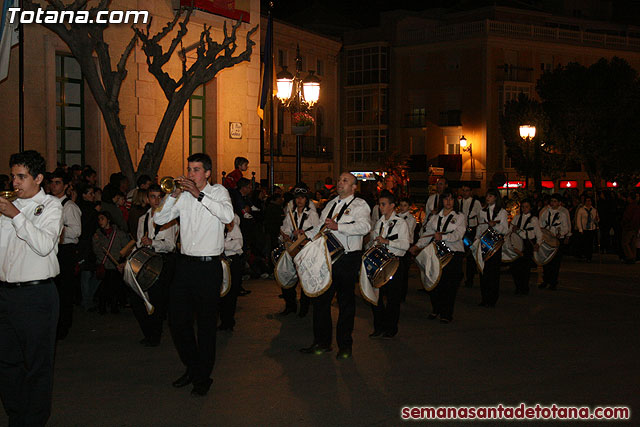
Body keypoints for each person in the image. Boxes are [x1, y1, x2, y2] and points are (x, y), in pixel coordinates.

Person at [154, 153, 234, 396]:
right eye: (189, 169)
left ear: (207, 173)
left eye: (196, 170)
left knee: (207, 325)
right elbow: (159, 218)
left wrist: (199, 196)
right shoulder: (182, 197)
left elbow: (228, 217)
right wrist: (173, 196)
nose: (190, 174)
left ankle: (202, 377)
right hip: (185, 265)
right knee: (177, 321)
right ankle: (193, 366)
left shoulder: (218, 192)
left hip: (209, 267)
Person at [0, 151, 63, 426]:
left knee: (37, 365)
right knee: (7, 362)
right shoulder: (6, 205)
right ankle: (16, 415)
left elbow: (44, 244)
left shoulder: (50, 206)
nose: (15, 182)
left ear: (38, 178)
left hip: (37, 296)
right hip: (6, 294)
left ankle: (34, 420)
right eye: (13, 175)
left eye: (21, 176)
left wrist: (15, 215)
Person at [299, 172, 371, 359]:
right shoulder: (330, 204)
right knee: (321, 300)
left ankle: (345, 345)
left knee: (345, 302)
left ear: (354, 187)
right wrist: (304, 237)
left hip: (348, 259)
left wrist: (339, 227)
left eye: (345, 181)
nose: (340, 183)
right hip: (328, 258)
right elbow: (320, 227)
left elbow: (365, 227)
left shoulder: (360, 205)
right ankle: (322, 342)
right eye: (339, 180)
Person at [133, 184, 178, 346]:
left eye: (160, 197)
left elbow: (171, 245)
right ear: (147, 199)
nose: (156, 200)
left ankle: (155, 336)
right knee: (140, 299)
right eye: (153, 196)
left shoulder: (170, 218)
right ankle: (149, 332)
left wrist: (153, 242)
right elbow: (138, 242)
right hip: (147, 262)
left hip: (163, 261)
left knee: (158, 301)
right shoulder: (142, 219)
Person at [412, 188, 466, 322]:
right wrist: (417, 246)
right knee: (434, 282)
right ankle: (436, 308)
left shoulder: (460, 216)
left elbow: (459, 235)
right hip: (436, 253)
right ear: (442, 200)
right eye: (446, 198)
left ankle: (446, 314)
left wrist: (443, 237)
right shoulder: (435, 217)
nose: (448, 202)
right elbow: (427, 234)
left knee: (449, 285)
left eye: (451, 199)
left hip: (454, 253)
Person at [369, 190, 410, 337]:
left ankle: (391, 328)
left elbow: (405, 245)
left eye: (383, 204)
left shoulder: (401, 223)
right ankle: (378, 327)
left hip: (394, 263)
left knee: (393, 300)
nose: (381, 207)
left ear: (392, 206)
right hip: (380, 263)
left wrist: (387, 241)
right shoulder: (379, 223)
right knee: (376, 297)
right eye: (380, 204)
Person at [50, 168, 82, 340]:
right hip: (53, 251)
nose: (54, 186)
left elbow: (76, 231)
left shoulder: (69, 207)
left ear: (66, 185)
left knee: (65, 291)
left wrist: (57, 229)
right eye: (52, 182)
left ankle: (63, 326)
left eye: (58, 183)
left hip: (65, 251)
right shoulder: (49, 205)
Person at [279, 187, 319, 317]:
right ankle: (290, 305)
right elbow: (285, 228)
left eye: (302, 198)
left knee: (304, 279)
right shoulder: (291, 213)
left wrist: (304, 233)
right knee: (287, 276)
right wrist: (285, 235)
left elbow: (318, 232)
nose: (299, 200)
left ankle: (304, 307)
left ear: (306, 200)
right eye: (297, 198)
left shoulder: (312, 214)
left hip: (305, 250)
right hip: (292, 249)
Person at [92, 211, 130, 314]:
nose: (100, 221)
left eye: (102, 218)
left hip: (115, 264)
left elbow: (126, 248)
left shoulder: (119, 233)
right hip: (104, 265)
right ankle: (102, 307)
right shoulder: (98, 234)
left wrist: (122, 260)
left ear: (108, 219)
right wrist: (95, 242)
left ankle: (114, 307)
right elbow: (96, 251)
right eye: (99, 219)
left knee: (115, 287)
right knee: (103, 288)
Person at [476, 188, 508, 307]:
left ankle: (492, 299)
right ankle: (484, 298)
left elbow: (505, 229)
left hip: (495, 243)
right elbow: (480, 227)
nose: (487, 198)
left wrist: (495, 226)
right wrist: (476, 239)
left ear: (495, 197)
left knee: (493, 272)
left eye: (490, 196)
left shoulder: (502, 212)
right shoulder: (482, 212)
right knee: (483, 271)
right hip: (484, 242)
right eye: (487, 196)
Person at [510, 199, 542, 295]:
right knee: (515, 266)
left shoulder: (534, 219)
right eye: (523, 207)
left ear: (530, 208)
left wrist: (538, 243)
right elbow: (510, 230)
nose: (524, 209)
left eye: (527, 206)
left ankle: (524, 287)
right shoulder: (516, 218)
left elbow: (539, 233)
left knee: (525, 268)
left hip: (527, 244)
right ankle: (518, 286)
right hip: (517, 244)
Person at [539, 193, 571, 290]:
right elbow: (540, 223)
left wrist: (561, 234)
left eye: (555, 201)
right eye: (551, 201)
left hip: (557, 239)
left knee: (555, 262)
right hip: (547, 238)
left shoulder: (562, 214)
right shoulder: (545, 212)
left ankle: (553, 282)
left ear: (559, 203)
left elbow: (566, 227)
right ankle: (545, 280)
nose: (552, 203)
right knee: (546, 260)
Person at [219, 214, 244, 331]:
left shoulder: (232, 222)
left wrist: (220, 245)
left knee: (231, 293)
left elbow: (238, 243)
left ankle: (228, 322)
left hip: (232, 261)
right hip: (218, 262)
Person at [459, 184, 482, 287]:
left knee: (470, 255)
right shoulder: (459, 202)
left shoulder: (476, 203)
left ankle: (470, 278)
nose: (465, 192)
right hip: (461, 232)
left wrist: (478, 233)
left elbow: (480, 217)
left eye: (467, 190)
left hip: (471, 231)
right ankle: (460, 276)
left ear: (471, 192)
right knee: (459, 254)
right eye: (463, 190)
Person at [396, 197, 416, 302]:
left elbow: (408, 231)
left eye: (405, 205)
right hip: (397, 244)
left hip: (407, 245)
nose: (402, 207)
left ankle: (402, 294)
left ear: (409, 207)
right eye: (401, 205)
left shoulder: (411, 219)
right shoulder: (396, 216)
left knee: (404, 271)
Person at [575, 195, 599, 263]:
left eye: (589, 201)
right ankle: (584, 254)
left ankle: (589, 256)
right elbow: (578, 220)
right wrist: (580, 229)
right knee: (584, 243)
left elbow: (596, 219)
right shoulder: (581, 210)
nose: (588, 202)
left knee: (590, 243)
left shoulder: (594, 210)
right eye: (587, 201)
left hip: (591, 228)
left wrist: (596, 220)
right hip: (584, 228)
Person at [621, 192, 640, 264]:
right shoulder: (636, 206)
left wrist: (625, 223)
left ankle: (630, 257)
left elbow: (627, 217)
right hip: (635, 227)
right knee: (632, 243)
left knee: (625, 243)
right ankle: (633, 256)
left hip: (629, 227)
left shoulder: (630, 206)